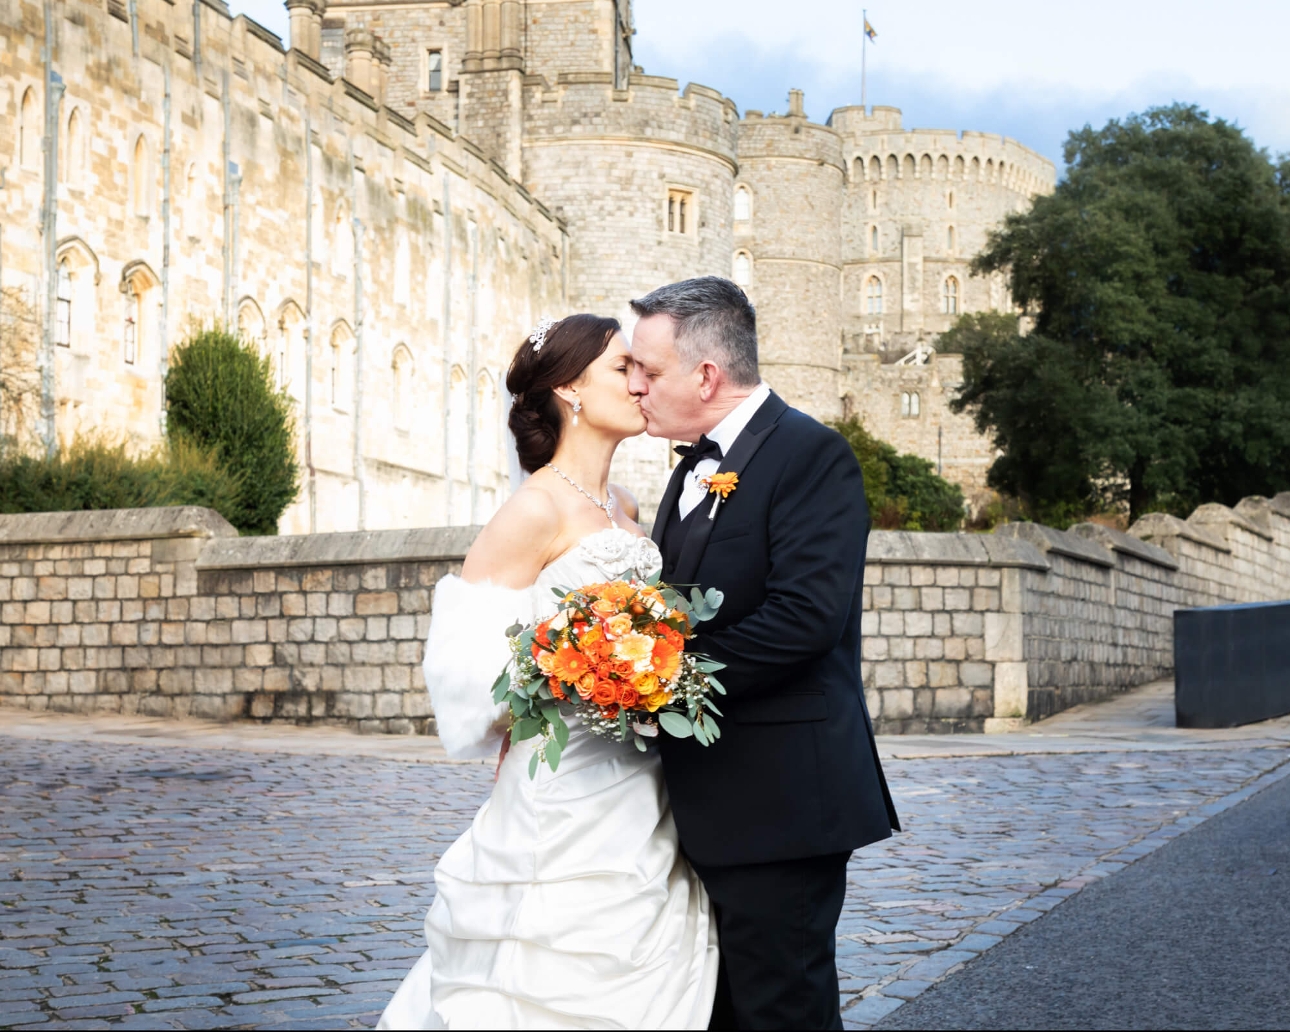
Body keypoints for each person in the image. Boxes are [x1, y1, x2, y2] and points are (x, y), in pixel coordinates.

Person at [378, 314, 718, 1030]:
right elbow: (466, 668)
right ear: (570, 388)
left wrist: (653, 673)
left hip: (645, 783)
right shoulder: (532, 509)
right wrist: (578, 666)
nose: (640, 382)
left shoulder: (625, 514)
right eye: (622, 366)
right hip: (562, 789)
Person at [628, 277, 900, 1030]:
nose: (635, 385)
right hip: (709, 801)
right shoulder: (690, 468)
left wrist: (656, 679)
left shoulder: (812, 455)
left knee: (782, 1011)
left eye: (648, 370)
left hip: (783, 803)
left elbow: (805, 620)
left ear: (705, 375)